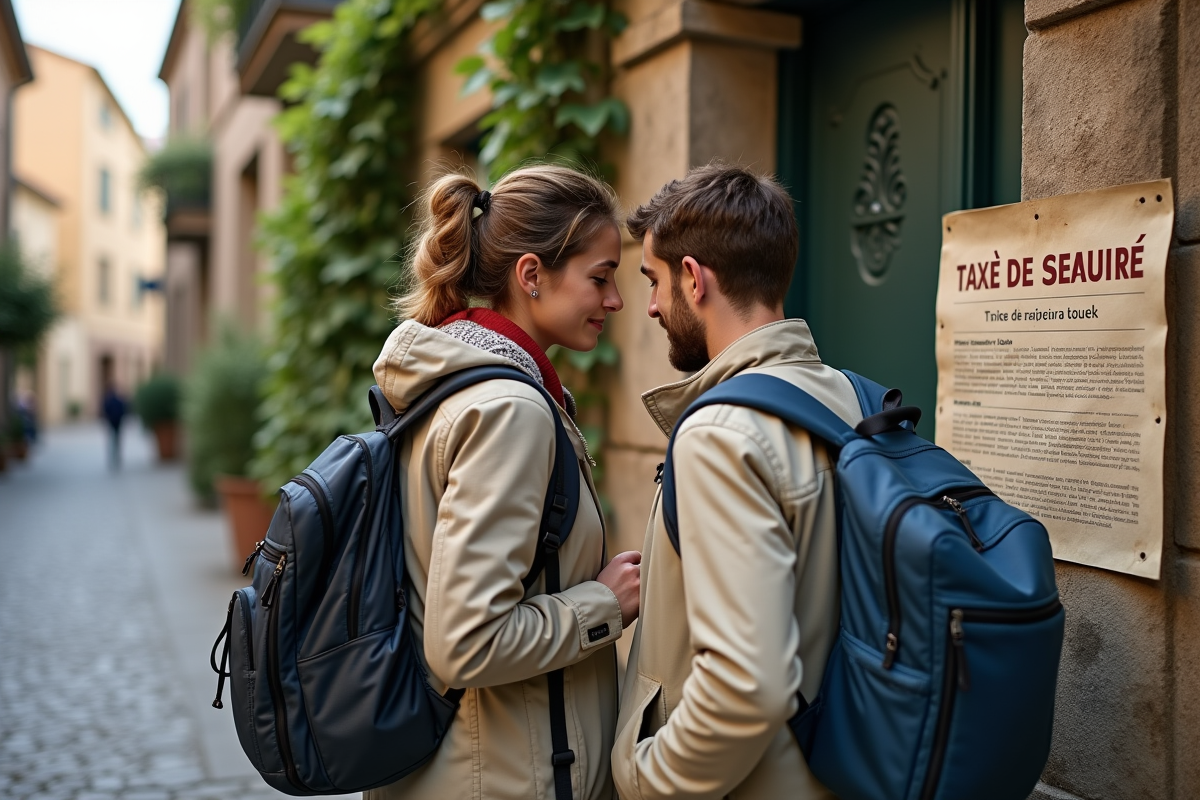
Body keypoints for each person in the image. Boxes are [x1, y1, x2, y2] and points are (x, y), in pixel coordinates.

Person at [366, 164, 640, 800]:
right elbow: (465, 642)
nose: (616, 301)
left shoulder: (457, 385)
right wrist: (604, 604)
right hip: (503, 779)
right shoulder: (507, 410)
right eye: (600, 278)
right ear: (532, 275)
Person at [611, 164, 864, 800]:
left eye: (653, 281)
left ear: (693, 279)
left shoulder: (722, 434)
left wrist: (643, 777)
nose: (649, 307)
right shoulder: (848, 398)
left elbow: (745, 685)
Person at [101, 379, 126, 469]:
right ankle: (116, 457)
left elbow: (104, 410)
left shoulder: (108, 399)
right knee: (116, 440)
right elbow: (123, 409)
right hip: (117, 422)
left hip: (112, 422)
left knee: (112, 440)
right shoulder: (118, 399)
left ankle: (113, 457)